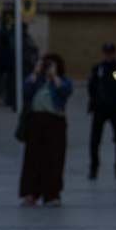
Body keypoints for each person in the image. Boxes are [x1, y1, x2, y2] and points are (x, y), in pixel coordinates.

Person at [19, 53, 74, 206]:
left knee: (54, 159)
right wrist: (36, 73)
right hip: (36, 121)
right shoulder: (37, 80)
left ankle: (52, 194)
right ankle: (31, 193)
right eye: (45, 64)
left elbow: (65, 91)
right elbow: (26, 91)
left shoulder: (63, 80)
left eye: (50, 64)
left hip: (55, 122)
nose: (47, 67)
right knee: (33, 159)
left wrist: (54, 76)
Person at [87, 42, 116, 180]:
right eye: (106, 52)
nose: (108, 55)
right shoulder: (98, 68)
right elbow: (92, 86)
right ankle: (94, 168)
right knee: (95, 140)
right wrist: (93, 102)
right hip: (100, 108)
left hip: (115, 108)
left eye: (110, 52)